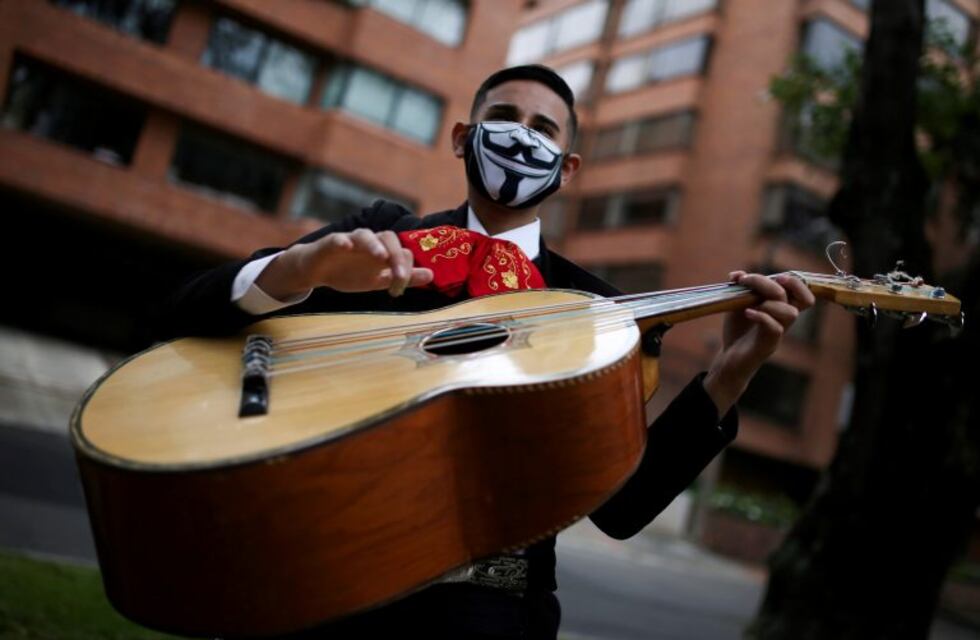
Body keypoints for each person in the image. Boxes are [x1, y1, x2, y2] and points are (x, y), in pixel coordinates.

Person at [160, 64, 814, 639]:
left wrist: (728, 377)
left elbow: (621, 508)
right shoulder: (379, 237)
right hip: (316, 590)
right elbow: (188, 311)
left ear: (569, 167)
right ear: (461, 138)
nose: (520, 134)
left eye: (544, 128)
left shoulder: (597, 309)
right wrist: (299, 269)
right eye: (502, 116)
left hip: (486, 619)